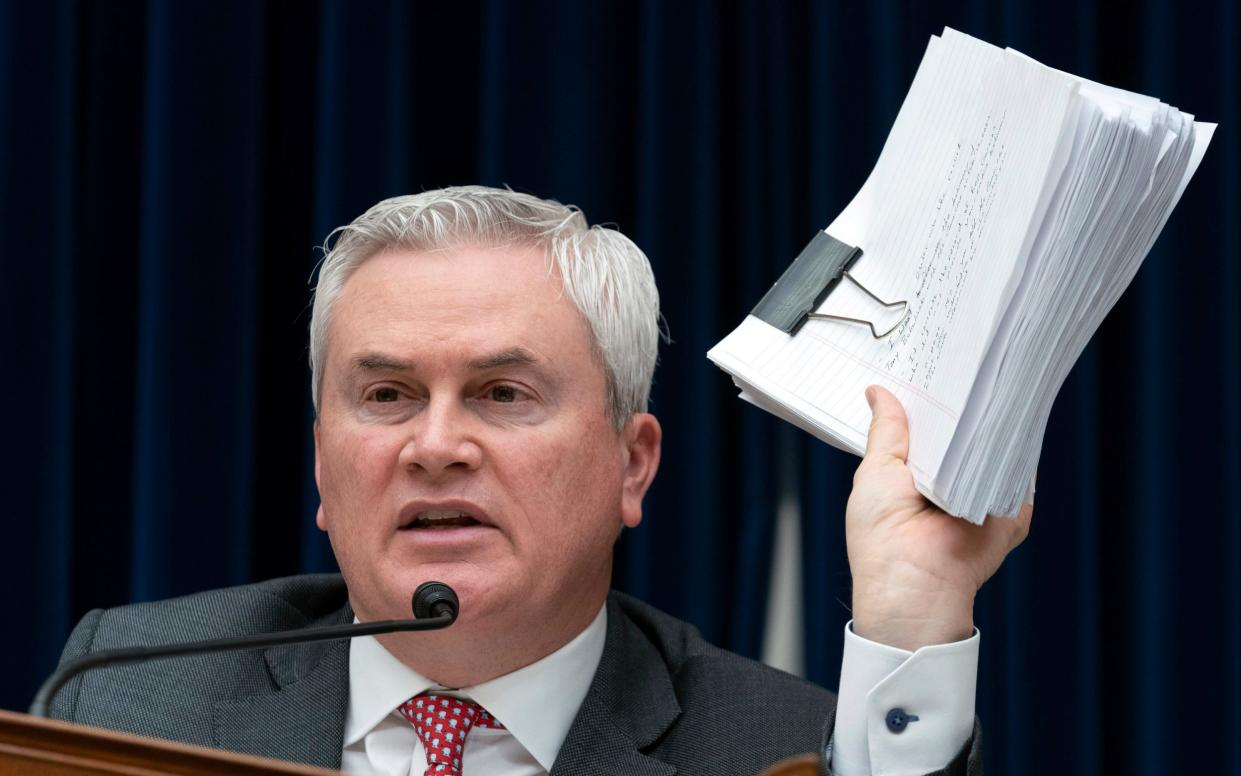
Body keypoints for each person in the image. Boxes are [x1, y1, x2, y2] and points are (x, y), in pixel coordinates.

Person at [50, 187, 1031, 775]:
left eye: (503, 392)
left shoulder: (783, 747)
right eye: (386, 392)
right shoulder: (135, 688)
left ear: (630, 462)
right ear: (320, 461)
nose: (435, 444)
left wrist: (909, 625)